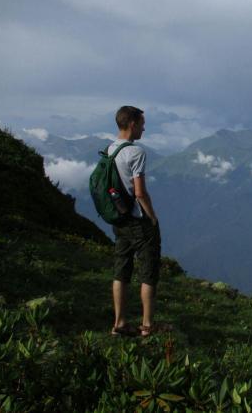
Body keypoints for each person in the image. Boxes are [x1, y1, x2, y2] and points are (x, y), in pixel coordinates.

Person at [108, 106, 163, 337]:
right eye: (141, 123)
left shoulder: (111, 149)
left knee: (121, 270)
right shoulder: (136, 152)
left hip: (119, 220)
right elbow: (139, 192)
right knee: (148, 271)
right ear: (132, 124)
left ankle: (119, 323)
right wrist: (152, 216)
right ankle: (147, 325)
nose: (143, 127)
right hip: (138, 221)